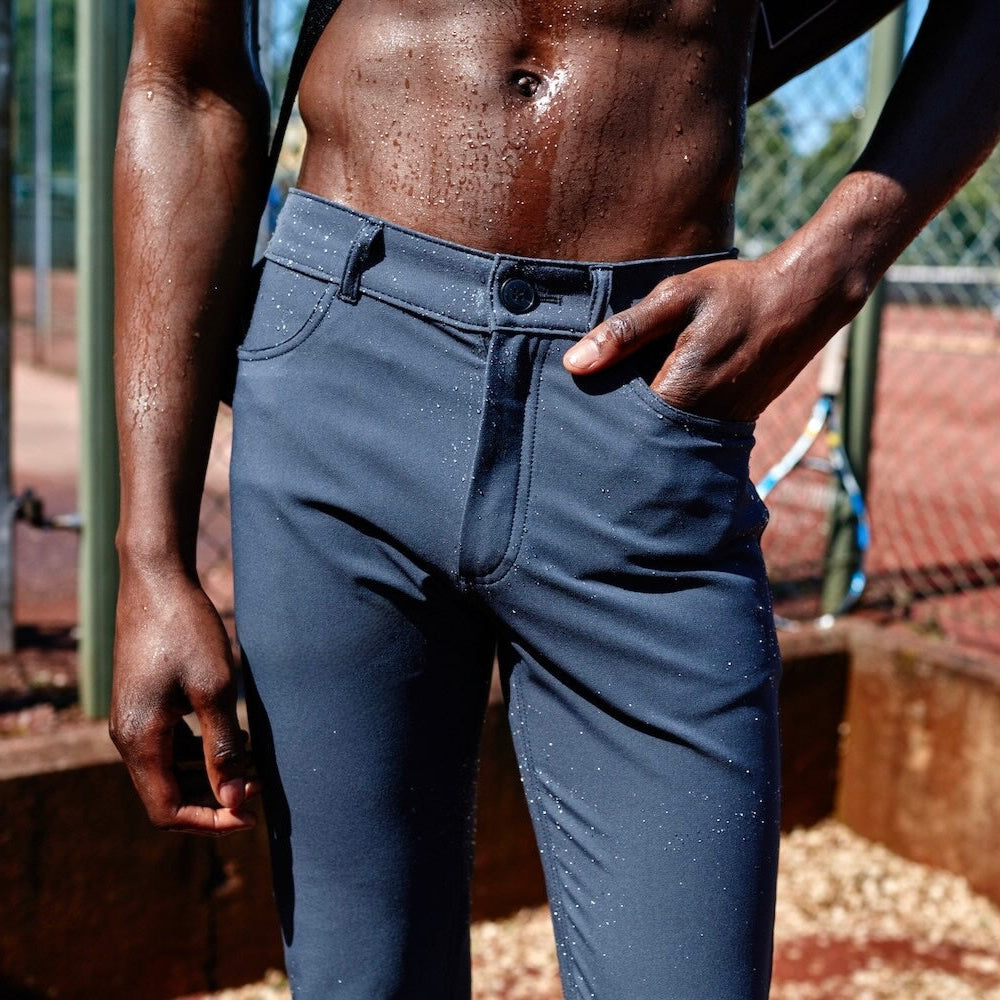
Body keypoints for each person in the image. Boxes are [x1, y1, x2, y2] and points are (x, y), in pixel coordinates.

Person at [109, 2, 1000, 997]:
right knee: (362, 978)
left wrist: (829, 267)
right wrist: (150, 554)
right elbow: (184, 82)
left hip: (643, 399)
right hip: (343, 378)